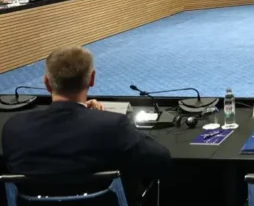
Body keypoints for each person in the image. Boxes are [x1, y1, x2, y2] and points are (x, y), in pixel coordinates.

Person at [1, 47, 171, 191]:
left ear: (47, 83)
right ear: (92, 79)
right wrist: (101, 118)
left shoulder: (14, 127)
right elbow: (161, 159)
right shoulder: (113, 126)